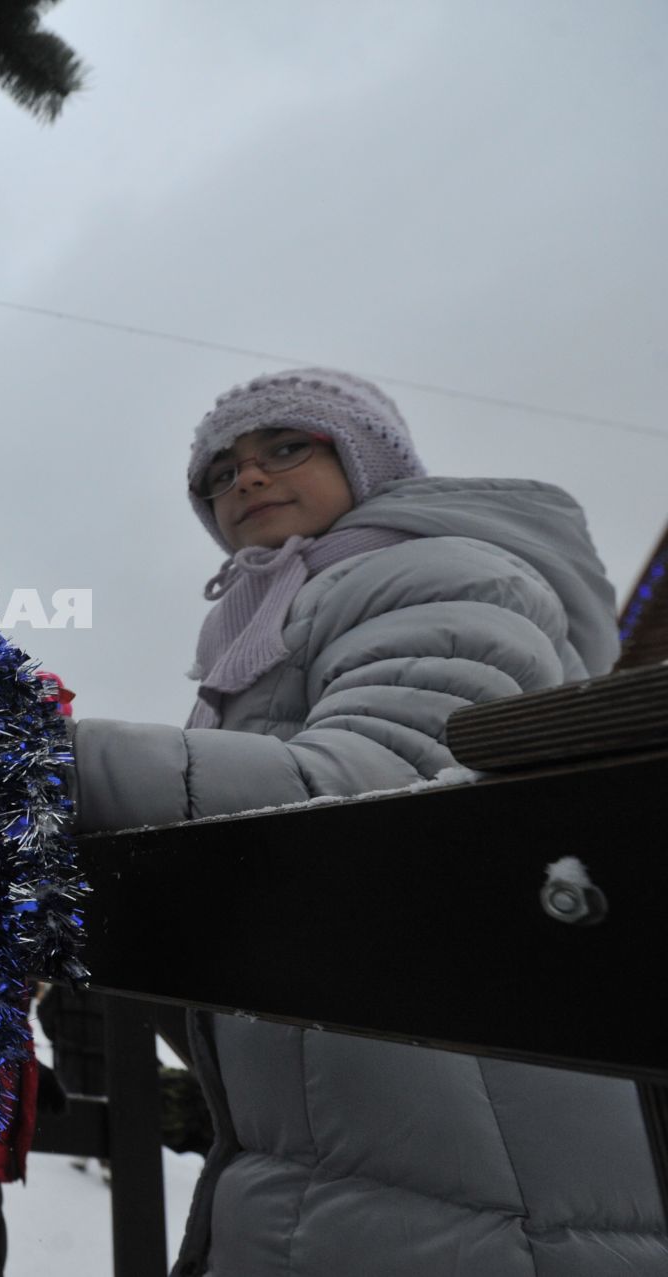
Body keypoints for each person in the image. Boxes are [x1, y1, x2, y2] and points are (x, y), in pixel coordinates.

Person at [69, 368, 668, 1275]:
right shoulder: (276, 616)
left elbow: (367, 788)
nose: (249, 481)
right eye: (220, 475)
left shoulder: (442, 573)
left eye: (284, 447)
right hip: (356, 1120)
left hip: (468, 1135)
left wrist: (40, 758)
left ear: (368, 457)